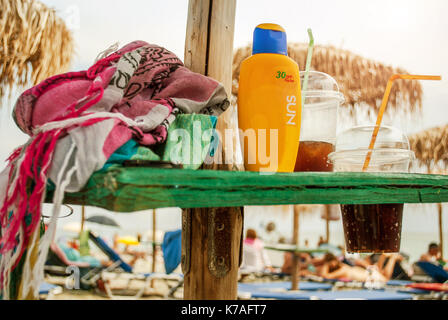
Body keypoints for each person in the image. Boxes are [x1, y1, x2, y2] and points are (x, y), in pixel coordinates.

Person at [319, 253, 402, 282]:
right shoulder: (344, 267)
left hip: (370, 276)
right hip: (369, 274)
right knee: (383, 275)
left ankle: (391, 258)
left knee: (386, 279)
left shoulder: (343, 270)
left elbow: (326, 276)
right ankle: (384, 257)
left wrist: (326, 264)